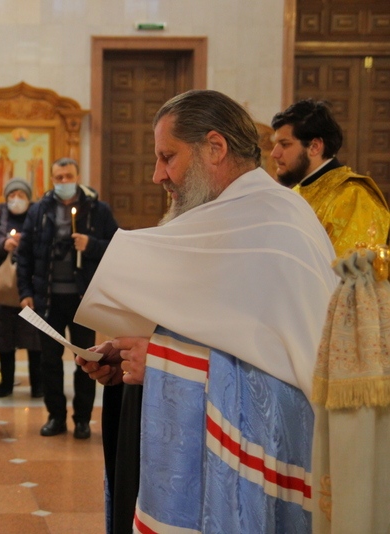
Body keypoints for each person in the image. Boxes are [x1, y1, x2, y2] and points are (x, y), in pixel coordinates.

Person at [76, 90, 339, 533]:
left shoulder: (277, 226)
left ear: (215, 147)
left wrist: (160, 362)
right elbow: (207, 332)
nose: (157, 174)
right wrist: (131, 356)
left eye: (168, 157)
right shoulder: (221, 218)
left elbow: (291, 389)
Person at [17, 157, 119, 439]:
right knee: (49, 361)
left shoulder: (97, 210)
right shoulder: (39, 211)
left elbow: (118, 246)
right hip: (47, 298)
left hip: (83, 299)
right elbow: (24, 254)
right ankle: (55, 416)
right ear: (52, 179)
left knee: (86, 359)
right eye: (59, 177)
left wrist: (91, 244)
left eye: (68, 176)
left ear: (77, 177)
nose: (64, 182)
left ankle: (82, 419)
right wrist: (25, 292)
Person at [271, 99, 390, 257]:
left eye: (285, 144)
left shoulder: (353, 197)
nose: (274, 153)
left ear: (315, 147)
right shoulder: (296, 192)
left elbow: (349, 269)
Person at [0, 177, 42, 398]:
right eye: (12, 195)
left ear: (29, 198)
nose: (16, 199)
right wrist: (3, 244)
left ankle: (38, 384)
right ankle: (6, 383)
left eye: (21, 195)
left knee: (34, 339)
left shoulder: (38, 216)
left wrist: (25, 242)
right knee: (4, 338)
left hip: (31, 287)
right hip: (4, 288)